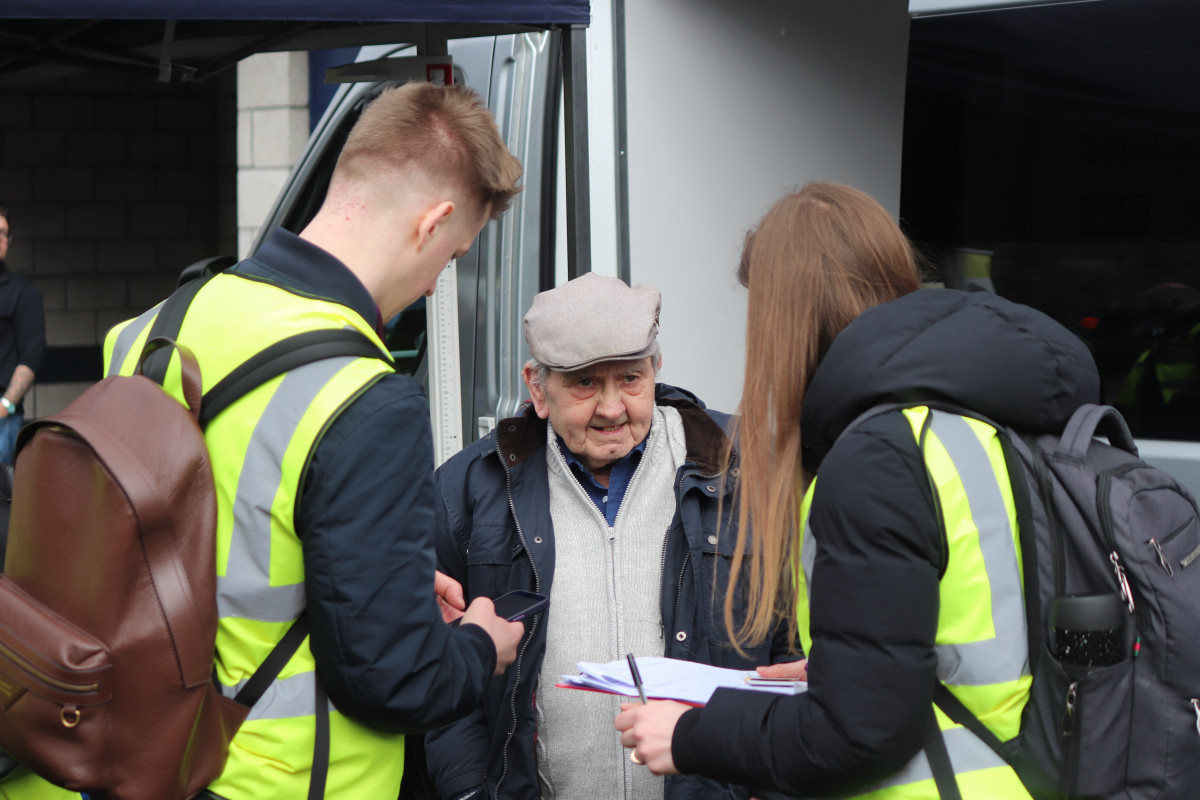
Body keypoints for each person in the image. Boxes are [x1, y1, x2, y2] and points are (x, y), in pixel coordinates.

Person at [100, 82, 527, 800]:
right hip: (283, 780)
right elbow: (395, 680)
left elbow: (193, 550)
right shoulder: (367, 396)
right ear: (433, 223)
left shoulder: (157, 324)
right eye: (452, 257)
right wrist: (483, 643)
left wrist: (370, 577)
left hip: (140, 759)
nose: (432, 286)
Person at [615, 182, 1099, 799]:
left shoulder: (875, 458)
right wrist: (848, 671)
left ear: (784, 319)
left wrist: (689, 735)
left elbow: (856, 736)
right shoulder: (981, 424)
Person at [425, 272, 797, 800]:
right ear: (537, 387)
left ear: (656, 368)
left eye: (630, 378)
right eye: (584, 383)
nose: (611, 407)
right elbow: (443, 680)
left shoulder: (744, 466)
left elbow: (793, 655)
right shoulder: (469, 488)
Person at [0, 207, 45, 464]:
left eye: (4, 233)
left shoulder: (24, 294)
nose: (0, 238)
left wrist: (5, 406)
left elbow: (32, 356)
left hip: (2, 419)